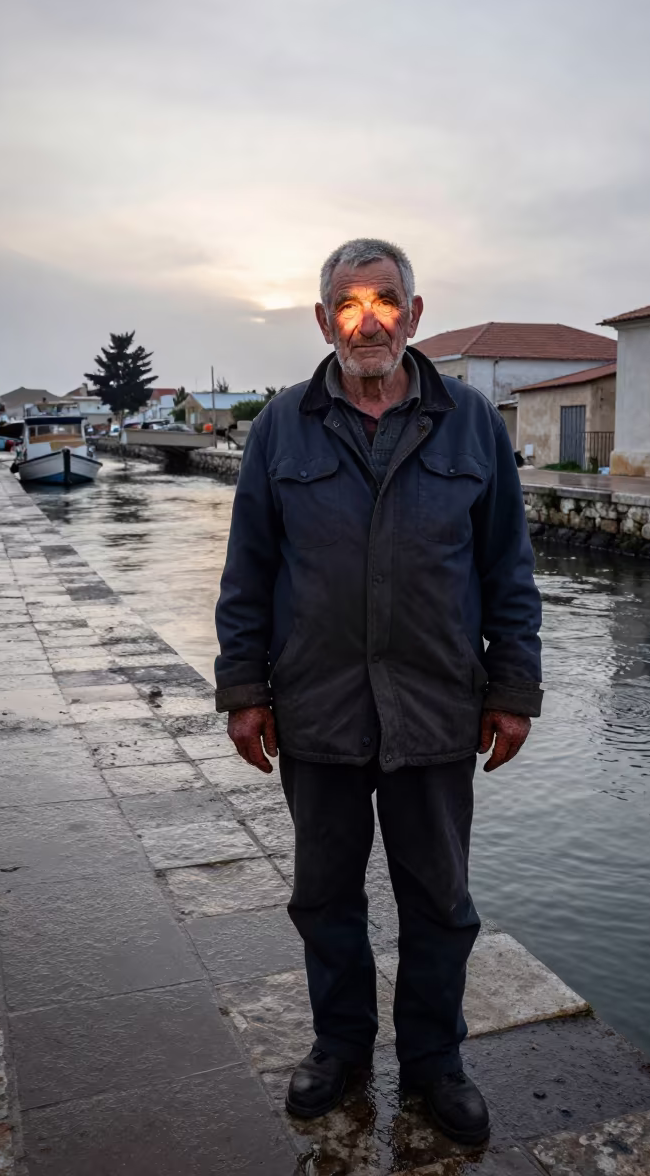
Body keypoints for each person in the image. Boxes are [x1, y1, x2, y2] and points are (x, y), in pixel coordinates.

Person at [215, 238, 542, 1146]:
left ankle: (436, 1062)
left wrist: (513, 689)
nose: (369, 320)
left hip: (437, 706)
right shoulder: (280, 426)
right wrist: (245, 690)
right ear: (323, 321)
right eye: (349, 304)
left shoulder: (472, 423)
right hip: (315, 708)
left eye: (386, 300)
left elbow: (509, 571)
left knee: (439, 899)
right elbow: (248, 573)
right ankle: (342, 1048)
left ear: (414, 313)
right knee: (325, 895)